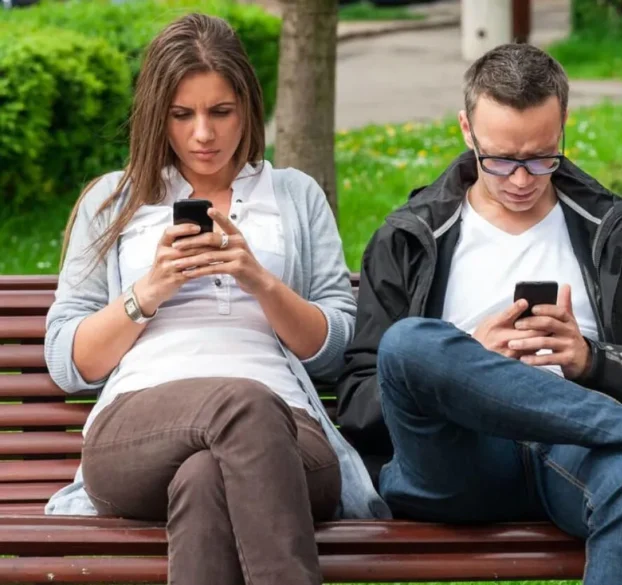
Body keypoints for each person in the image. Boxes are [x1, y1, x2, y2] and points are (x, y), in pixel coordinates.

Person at [335, 43, 622, 584]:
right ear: (466, 130)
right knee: (408, 345)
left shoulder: (615, 233)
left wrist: (592, 361)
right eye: (500, 160)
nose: (521, 179)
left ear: (564, 125)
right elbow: (358, 401)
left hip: (577, 452)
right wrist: (468, 358)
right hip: (455, 460)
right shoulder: (408, 237)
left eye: (542, 157)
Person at [43, 13, 388, 585]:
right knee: (242, 404)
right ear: (159, 115)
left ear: (247, 109)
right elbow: (67, 362)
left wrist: (260, 281)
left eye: (220, 112)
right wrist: (148, 291)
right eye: (182, 115)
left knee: (206, 478)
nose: (203, 134)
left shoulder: (295, 195)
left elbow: (334, 351)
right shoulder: (114, 200)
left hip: (292, 439)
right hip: (138, 433)